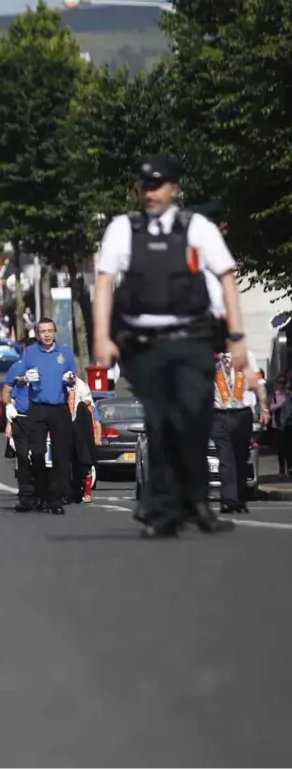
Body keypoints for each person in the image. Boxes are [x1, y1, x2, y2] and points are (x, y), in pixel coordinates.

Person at [93, 155, 249, 538]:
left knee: (194, 420)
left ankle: (195, 502)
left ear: (174, 189)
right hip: (144, 345)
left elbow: (227, 279)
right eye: (145, 186)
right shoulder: (121, 229)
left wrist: (236, 336)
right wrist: (101, 336)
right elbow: (103, 283)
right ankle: (162, 509)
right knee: (161, 422)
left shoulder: (196, 228)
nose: (151, 192)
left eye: (159, 185)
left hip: (192, 340)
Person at [16, 319, 76, 515]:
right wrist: (25, 379)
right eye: (42, 331)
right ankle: (40, 495)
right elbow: (18, 380)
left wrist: (70, 380)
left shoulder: (65, 352)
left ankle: (56, 499)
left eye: (50, 331)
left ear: (55, 332)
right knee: (38, 453)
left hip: (59, 408)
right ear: (37, 334)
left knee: (61, 456)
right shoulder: (30, 352)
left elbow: (73, 377)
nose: (47, 335)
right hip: (38, 408)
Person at [212, 351, 269, 513]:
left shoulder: (247, 355)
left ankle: (239, 499)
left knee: (240, 457)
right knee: (225, 458)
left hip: (242, 413)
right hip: (219, 415)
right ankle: (228, 500)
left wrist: (264, 407)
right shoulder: (210, 356)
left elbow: (259, 383)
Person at [3, 338, 37, 512]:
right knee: (23, 459)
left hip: (39, 419)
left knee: (40, 457)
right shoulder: (17, 367)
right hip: (21, 418)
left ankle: (43, 495)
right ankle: (26, 497)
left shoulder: (44, 367)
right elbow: (8, 392)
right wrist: (9, 412)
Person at [67, 374, 100, 504]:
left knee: (84, 463)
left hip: (81, 432)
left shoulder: (81, 386)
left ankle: (86, 492)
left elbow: (90, 405)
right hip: (67, 427)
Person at [270, 375, 291, 474]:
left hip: (287, 425)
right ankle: (282, 467)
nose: (281, 385)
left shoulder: (288, 395)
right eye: (279, 382)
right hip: (277, 424)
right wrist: (280, 405)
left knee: (288, 446)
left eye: (283, 382)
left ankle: (289, 466)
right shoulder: (275, 395)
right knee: (281, 448)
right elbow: (270, 407)